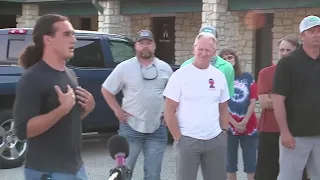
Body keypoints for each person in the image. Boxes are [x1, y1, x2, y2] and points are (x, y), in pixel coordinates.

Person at [13, 14, 95, 180]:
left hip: (76, 169)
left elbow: (67, 121)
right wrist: (61, 110)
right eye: (66, 34)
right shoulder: (32, 78)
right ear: (48, 39)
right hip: (46, 172)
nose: (74, 40)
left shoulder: (70, 74)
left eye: (73, 34)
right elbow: (22, 131)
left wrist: (87, 108)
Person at [101, 30, 173, 180]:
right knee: (123, 173)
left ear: (154, 46)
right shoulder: (124, 67)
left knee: (153, 175)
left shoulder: (165, 68)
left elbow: (173, 95)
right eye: (141, 43)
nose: (145, 46)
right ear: (136, 46)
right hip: (130, 128)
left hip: (157, 129)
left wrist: (169, 112)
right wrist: (117, 111)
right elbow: (106, 90)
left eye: (148, 43)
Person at [163, 32, 230, 180]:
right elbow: (169, 109)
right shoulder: (180, 75)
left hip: (215, 140)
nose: (204, 53)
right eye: (200, 49)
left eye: (208, 50)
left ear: (214, 52)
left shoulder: (219, 76)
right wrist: (178, 137)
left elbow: (223, 107)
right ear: (194, 49)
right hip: (188, 140)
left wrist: (224, 132)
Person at [272, 15, 320, 180]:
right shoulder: (288, 63)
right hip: (295, 137)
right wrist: (284, 132)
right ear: (302, 35)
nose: (317, 34)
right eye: (312, 31)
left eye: (319, 31)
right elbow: (278, 99)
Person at [255, 36, 302, 180]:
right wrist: (290, 100)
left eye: (288, 50)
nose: (284, 53)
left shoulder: (302, 73)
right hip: (269, 129)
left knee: (296, 172)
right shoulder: (266, 73)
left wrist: (275, 97)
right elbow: (264, 103)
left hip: (296, 130)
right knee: (267, 172)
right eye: (281, 50)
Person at [219, 48, 258, 180]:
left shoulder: (247, 77)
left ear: (235, 59)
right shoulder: (219, 79)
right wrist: (235, 123)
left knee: (251, 161)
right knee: (230, 163)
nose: (227, 61)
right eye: (223, 59)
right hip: (228, 127)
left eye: (230, 57)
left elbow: (253, 101)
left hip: (249, 126)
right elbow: (220, 106)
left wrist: (244, 121)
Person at [180, 25, 235, 97]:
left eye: (210, 40)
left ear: (216, 44)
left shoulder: (227, 67)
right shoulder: (185, 66)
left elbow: (226, 97)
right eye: (203, 39)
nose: (206, 44)